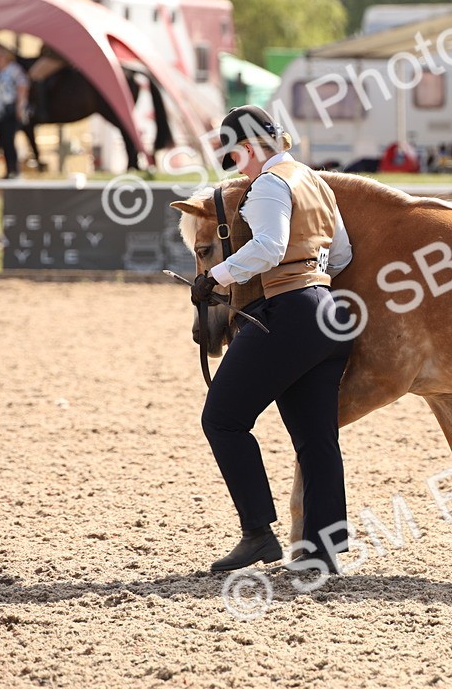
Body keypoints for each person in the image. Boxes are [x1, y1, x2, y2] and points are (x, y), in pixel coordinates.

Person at [191, 105, 355, 574]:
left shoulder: (268, 185)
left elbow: (268, 247)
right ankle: (323, 551)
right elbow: (341, 253)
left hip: (287, 312)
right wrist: (311, 283)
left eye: (237, 158)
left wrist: (216, 278)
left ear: (247, 148)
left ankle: (258, 534)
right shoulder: (315, 182)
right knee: (316, 438)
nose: (238, 169)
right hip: (328, 313)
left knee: (222, 419)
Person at [0, 43, 29, 179]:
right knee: (2, 140)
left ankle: (14, 170)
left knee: (9, 140)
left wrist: (20, 107)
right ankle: (9, 169)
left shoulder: (14, 70)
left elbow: (22, 87)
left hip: (10, 109)